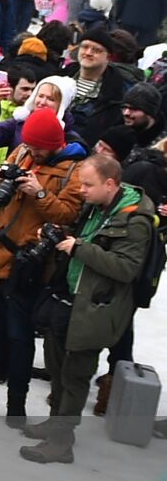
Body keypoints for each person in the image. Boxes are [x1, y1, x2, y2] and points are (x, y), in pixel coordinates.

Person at [20, 153, 155, 463]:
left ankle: (61, 442)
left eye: (88, 185)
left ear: (110, 184)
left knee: (76, 376)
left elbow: (125, 268)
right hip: (69, 299)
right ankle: (55, 425)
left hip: (96, 309)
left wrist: (78, 248)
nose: (81, 190)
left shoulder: (135, 222)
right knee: (56, 368)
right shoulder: (97, 206)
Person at [0, 107, 85, 426]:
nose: (33, 152)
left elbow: (66, 215)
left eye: (39, 148)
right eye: (30, 146)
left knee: (19, 337)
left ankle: (16, 406)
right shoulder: (22, 152)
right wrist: (0, 176)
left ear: (55, 143)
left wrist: (38, 192)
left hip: (29, 264)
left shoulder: (71, 170)